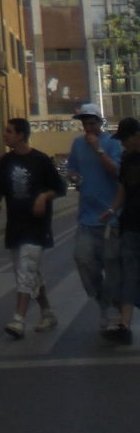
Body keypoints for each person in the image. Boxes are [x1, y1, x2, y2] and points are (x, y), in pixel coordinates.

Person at [0, 118, 64, 336]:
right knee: (28, 273)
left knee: (26, 270)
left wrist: (43, 196)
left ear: (21, 135)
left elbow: (59, 187)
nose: (5, 135)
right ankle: (47, 313)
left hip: (37, 226)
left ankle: (18, 319)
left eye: (9, 131)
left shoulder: (40, 160)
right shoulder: (5, 162)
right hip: (16, 226)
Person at [67, 101, 124, 339]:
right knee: (83, 260)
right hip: (87, 218)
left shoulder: (113, 143)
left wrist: (99, 149)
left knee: (112, 266)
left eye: (91, 123)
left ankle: (111, 313)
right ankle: (104, 301)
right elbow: (72, 169)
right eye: (84, 123)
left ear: (100, 123)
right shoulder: (78, 144)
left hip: (111, 217)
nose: (88, 128)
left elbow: (117, 173)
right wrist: (74, 176)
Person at [100, 116, 140, 346]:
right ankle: (124, 326)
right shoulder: (126, 159)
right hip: (131, 224)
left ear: (136, 136)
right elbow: (123, 189)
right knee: (129, 275)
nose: (122, 144)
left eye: (124, 140)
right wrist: (112, 209)